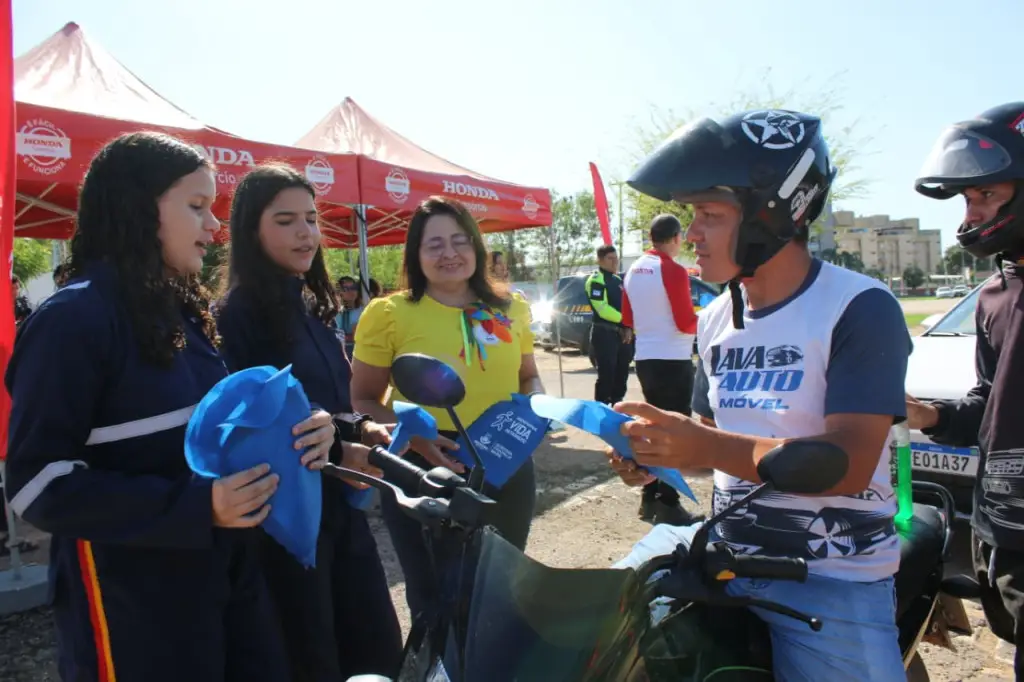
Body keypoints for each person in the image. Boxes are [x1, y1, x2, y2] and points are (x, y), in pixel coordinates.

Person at [1, 132, 341, 681]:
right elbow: (35, 484)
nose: (214, 225)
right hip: (133, 606)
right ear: (138, 207)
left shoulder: (184, 311)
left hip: (224, 579)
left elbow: (212, 437)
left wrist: (305, 428)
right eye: (197, 206)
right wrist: (196, 507)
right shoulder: (72, 319)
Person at [609, 109, 909, 680]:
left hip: (829, 576)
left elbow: (847, 463)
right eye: (692, 215)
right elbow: (713, 450)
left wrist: (702, 445)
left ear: (772, 214)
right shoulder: (716, 318)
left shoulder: (859, 307)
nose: (691, 233)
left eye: (709, 215)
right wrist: (657, 454)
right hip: (725, 555)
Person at [216, 164, 403, 681]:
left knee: (376, 651)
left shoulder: (311, 309)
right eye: (285, 221)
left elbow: (329, 405)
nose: (305, 233)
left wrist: (359, 429)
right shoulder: (234, 317)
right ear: (250, 230)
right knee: (312, 658)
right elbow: (251, 433)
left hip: (341, 513)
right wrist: (341, 450)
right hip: (285, 529)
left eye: (312, 218)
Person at [350, 196, 543, 619]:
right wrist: (415, 436)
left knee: (500, 589)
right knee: (436, 600)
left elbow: (528, 376)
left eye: (459, 240)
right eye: (434, 244)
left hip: (505, 459)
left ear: (476, 245)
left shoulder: (512, 309)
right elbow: (363, 398)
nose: (449, 253)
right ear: (415, 255)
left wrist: (532, 414)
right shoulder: (389, 313)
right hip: (423, 465)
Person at [905, 102, 1024, 673]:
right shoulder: (996, 294)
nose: (972, 213)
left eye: (987, 195)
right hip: (1001, 529)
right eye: (967, 198)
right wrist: (927, 415)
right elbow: (989, 401)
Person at [621, 213, 699, 527]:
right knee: (674, 432)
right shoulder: (673, 270)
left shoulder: (633, 270)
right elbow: (685, 322)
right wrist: (707, 320)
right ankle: (669, 502)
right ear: (676, 237)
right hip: (673, 358)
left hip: (646, 358)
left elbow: (628, 317)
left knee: (652, 429)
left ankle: (649, 496)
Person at [586, 244, 633, 404]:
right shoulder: (596, 280)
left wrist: (628, 327)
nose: (615, 262)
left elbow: (625, 305)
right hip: (604, 333)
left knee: (622, 373)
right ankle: (602, 408)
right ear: (600, 260)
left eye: (616, 258)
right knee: (607, 375)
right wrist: (625, 321)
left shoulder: (618, 280)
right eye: (610, 258)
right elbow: (602, 308)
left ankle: (618, 405)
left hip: (622, 334)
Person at [335, 275, 365, 357]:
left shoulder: (364, 310)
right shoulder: (334, 312)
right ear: (339, 292)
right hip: (340, 353)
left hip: (360, 353)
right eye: (346, 289)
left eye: (353, 288)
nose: (351, 291)